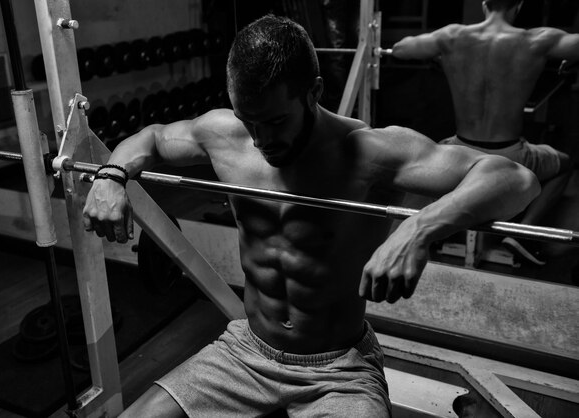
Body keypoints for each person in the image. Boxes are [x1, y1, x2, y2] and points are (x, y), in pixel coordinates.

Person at [83, 14, 539, 418]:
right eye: (249, 120)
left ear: (314, 93)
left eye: (276, 122)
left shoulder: (367, 151)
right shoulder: (225, 134)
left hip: (338, 367)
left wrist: (420, 228)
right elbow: (155, 137)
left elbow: (513, 178)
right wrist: (110, 173)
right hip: (246, 353)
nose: (260, 139)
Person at [391, 0, 579, 266]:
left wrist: (439, 51)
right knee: (566, 163)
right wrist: (570, 62)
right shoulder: (538, 40)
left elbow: (400, 49)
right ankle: (523, 235)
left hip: (460, 151)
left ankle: (434, 227)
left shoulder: (453, 36)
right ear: (519, 5)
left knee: (434, 152)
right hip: (512, 156)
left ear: (484, 4)